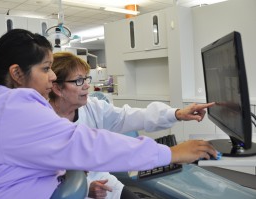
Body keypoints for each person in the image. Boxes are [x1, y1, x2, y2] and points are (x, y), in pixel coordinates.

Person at [0, 29, 217, 199]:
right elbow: (82, 144)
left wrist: (176, 113)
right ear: (16, 73)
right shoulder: (12, 106)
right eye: (46, 69)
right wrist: (169, 154)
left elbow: (126, 118)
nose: (52, 75)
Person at [49, 51, 216, 199]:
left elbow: (127, 117)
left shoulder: (91, 107)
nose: (86, 85)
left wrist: (177, 114)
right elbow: (45, 180)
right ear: (57, 88)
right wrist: (85, 189)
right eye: (78, 80)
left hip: (106, 183)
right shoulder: (44, 124)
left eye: (86, 78)